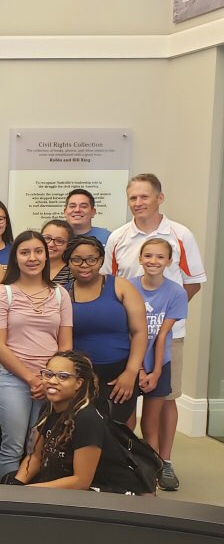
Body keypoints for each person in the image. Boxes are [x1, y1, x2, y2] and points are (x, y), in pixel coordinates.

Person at [102, 173, 206, 492]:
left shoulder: (180, 234)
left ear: (159, 198)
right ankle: (133, 459)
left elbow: (193, 281)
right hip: (129, 337)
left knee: (164, 398)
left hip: (169, 336)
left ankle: (165, 461)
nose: (138, 203)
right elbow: (110, 284)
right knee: (127, 399)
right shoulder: (118, 237)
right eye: (133, 197)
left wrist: (165, 315)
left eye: (144, 197)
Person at [0, 230, 73, 480]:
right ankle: (10, 502)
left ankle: (33, 499)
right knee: (13, 446)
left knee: (38, 446)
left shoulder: (60, 294)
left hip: (52, 382)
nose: (32, 258)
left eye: (38, 251)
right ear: (16, 258)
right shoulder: (3, 293)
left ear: (47, 257)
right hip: (12, 380)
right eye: (25, 252)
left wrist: (48, 379)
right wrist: (31, 379)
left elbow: (65, 345)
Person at [14, 351, 139, 493]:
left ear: (78, 383)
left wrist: (28, 491)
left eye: (63, 377)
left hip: (107, 493)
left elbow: (81, 481)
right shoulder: (47, 408)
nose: (52, 381)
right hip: (70, 485)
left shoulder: (87, 418)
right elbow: (36, 457)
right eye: (48, 374)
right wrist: (16, 485)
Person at [66, 236, 147, 427]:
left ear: (101, 260)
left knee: (116, 431)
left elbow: (140, 332)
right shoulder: (63, 293)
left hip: (119, 374)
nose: (84, 265)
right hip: (80, 377)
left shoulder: (121, 286)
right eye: (77, 259)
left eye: (91, 259)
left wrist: (131, 372)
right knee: (83, 431)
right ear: (68, 262)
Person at [130, 238, 189, 491]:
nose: (153, 261)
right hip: (131, 362)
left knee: (150, 424)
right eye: (149, 256)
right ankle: (127, 466)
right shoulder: (128, 287)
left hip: (159, 363)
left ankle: (153, 471)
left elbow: (163, 335)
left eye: (160, 257)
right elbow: (131, 331)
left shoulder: (176, 292)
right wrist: (139, 369)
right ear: (140, 259)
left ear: (169, 262)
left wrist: (154, 371)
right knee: (127, 421)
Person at [42, 219, 75, 289]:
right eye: (47, 238)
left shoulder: (71, 272)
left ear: (68, 245)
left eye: (59, 241)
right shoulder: (29, 267)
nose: (51, 244)